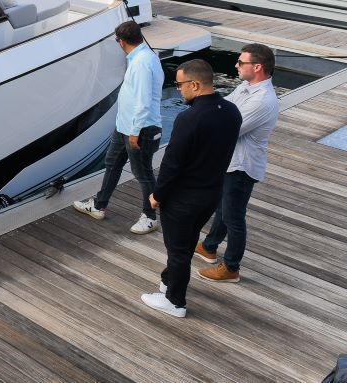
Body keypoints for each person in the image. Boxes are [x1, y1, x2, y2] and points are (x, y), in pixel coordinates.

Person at [142, 59, 241, 318]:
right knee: (186, 243)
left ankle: (175, 301)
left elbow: (172, 163)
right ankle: (168, 281)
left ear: (195, 84)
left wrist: (157, 195)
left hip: (183, 198)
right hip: (211, 194)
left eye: (180, 85)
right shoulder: (232, 111)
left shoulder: (189, 118)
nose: (179, 90)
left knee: (178, 250)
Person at [196, 43, 279, 283]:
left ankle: (231, 267)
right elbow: (223, 106)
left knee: (234, 217)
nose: (236, 65)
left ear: (257, 67)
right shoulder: (245, 86)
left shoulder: (263, 100)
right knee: (223, 208)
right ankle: (210, 247)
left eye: (240, 62)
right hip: (229, 161)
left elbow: (229, 127)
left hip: (242, 167)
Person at [73, 21, 164, 234]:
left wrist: (135, 131)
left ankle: (150, 217)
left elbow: (143, 101)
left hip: (139, 129)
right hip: (124, 126)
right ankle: (98, 205)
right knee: (112, 163)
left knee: (143, 172)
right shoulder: (142, 56)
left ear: (121, 42)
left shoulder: (142, 62)